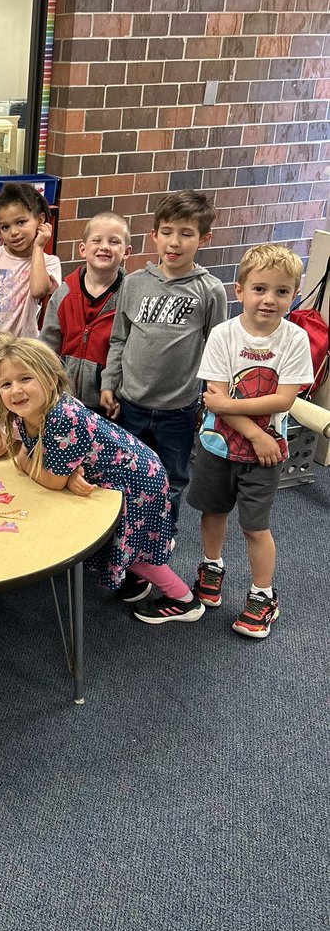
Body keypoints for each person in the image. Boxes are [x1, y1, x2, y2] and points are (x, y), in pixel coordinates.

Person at [0, 338, 204, 619]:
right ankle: (135, 578)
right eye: (6, 384)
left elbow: (47, 476)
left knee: (136, 550)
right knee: (129, 543)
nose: (16, 390)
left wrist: (41, 468)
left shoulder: (63, 415)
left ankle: (184, 600)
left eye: (26, 378)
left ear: (52, 379)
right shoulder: (24, 414)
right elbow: (41, 460)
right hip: (123, 474)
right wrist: (56, 472)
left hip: (137, 481)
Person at [177, 243, 313, 637]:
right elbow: (213, 400)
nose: (269, 299)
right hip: (220, 446)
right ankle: (211, 566)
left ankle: (262, 595)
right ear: (239, 290)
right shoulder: (222, 335)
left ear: (294, 294)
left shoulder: (294, 339)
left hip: (266, 457)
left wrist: (231, 407)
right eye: (259, 288)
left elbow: (284, 398)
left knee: (255, 527)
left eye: (282, 291)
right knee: (212, 512)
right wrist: (256, 433)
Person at [100, 190, 227, 536]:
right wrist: (109, 383)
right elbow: (119, 338)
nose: (175, 242)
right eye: (167, 232)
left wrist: (210, 399)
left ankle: (158, 542)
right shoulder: (135, 283)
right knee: (124, 474)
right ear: (154, 235)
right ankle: (122, 539)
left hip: (178, 410)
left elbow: (217, 352)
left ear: (204, 238)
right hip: (131, 404)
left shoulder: (210, 290)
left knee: (172, 479)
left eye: (186, 234)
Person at [40, 211, 130, 410]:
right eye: (96, 240)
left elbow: (129, 352)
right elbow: (48, 344)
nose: (104, 247)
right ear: (82, 249)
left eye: (114, 242)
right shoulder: (63, 293)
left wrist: (116, 390)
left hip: (106, 401)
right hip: (62, 398)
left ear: (126, 251)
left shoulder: (130, 297)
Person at [0, 182, 61, 338]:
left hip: (23, 348)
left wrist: (39, 247)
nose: (14, 232)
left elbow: (39, 290)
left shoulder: (49, 262)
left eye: (21, 222)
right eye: (5, 227)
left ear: (40, 221)